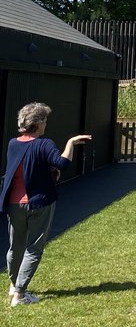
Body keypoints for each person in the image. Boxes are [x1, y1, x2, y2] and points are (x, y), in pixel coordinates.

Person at [2, 102, 92, 306]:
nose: (46, 124)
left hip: (14, 203)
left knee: (15, 248)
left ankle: (14, 285)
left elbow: (27, 167)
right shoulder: (44, 143)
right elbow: (62, 163)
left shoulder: (13, 143)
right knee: (33, 248)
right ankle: (20, 295)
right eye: (45, 120)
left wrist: (48, 172)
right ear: (39, 122)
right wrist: (70, 143)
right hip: (39, 203)